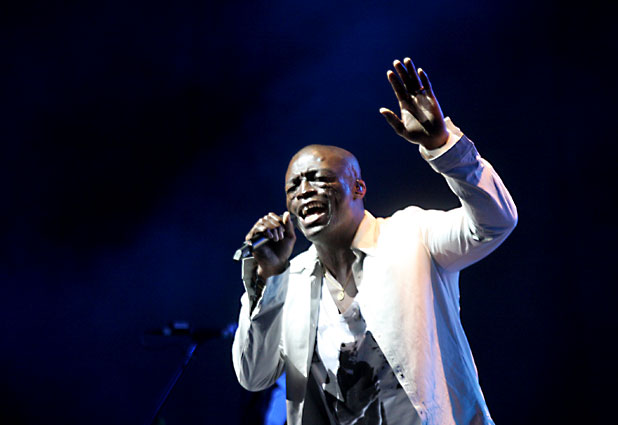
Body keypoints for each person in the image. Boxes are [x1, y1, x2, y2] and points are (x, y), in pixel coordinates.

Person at [232, 57, 517, 425]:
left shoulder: (411, 235)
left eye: (319, 178)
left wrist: (443, 146)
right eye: (293, 187)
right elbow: (254, 375)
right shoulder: (290, 281)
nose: (304, 191)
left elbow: (496, 222)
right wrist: (268, 279)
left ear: (358, 188)